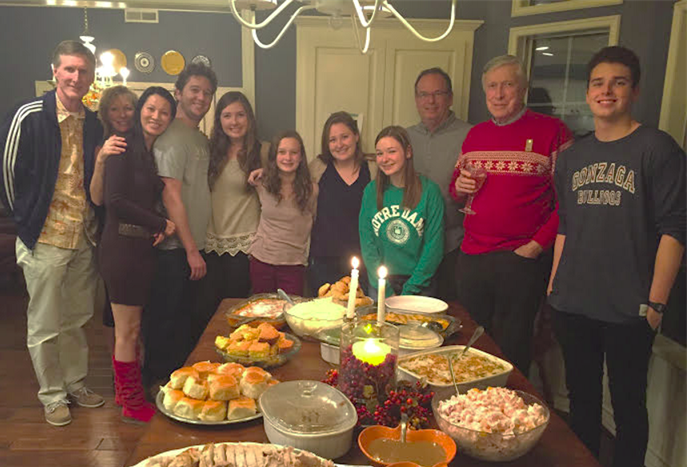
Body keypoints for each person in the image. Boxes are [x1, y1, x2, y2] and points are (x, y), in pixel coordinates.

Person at [547, 46, 685, 467]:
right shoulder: (572, 157)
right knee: (581, 401)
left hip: (631, 306)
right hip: (573, 302)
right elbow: (565, 227)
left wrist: (657, 303)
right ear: (588, 93)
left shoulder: (658, 149)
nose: (606, 91)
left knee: (628, 405)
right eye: (598, 83)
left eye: (618, 82)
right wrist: (554, 285)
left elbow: (675, 230)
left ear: (634, 91)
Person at [0, 40, 105, 426]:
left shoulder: (92, 122)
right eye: (70, 69)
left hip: (82, 236)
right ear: (55, 71)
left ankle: (75, 383)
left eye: (83, 70)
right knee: (44, 323)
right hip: (44, 237)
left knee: (76, 318)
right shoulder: (28, 115)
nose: (77, 77)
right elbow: (9, 174)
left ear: (92, 76)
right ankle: (52, 395)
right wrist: (26, 222)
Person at [449, 55, 573, 376]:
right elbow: (454, 189)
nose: (499, 94)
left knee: (512, 348)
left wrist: (534, 247)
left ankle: (509, 418)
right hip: (472, 255)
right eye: (492, 86)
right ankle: (468, 408)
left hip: (519, 259)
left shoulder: (552, 132)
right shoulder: (475, 135)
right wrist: (460, 186)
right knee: (471, 342)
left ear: (523, 89)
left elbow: (571, 203)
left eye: (507, 85)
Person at [99, 86, 177, 423]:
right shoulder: (120, 146)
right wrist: (161, 222)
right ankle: (132, 402)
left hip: (139, 248)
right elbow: (114, 201)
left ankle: (123, 392)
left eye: (164, 112)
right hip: (121, 250)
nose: (156, 116)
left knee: (131, 328)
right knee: (127, 331)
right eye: (150, 109)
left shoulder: (146, 152)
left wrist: (154, 226)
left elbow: (140, 200)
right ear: (140, 109)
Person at [142, 63, 216, 390]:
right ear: (179, 93)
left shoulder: (198, 138)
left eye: (207, 93)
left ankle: (182, 388)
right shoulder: (171, 137)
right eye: (194, 90)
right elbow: (171, 196)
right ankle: (162, 392)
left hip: (194, 246)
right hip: (175, 251)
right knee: (166, 323)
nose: (201, 98)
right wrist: (190, 251)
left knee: (186, 322)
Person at [199, 92, 268, 323]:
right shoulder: (209, 151)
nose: (234, 122)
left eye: (240, 115)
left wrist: (268, 173)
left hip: (245, 245)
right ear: (219, 120)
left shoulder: (263, 151)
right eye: (227, 115)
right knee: (209, 312)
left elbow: (286, 184)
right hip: (210, 242)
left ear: (249, 118)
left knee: (238, 314)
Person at [407, 68, 471, 301]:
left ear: (450, 97)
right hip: (410, 247)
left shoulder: (471, 136)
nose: (430, 101)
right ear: (416, 100)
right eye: (423, 94)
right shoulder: (404, 138)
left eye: (438, 94)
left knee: (449, 313)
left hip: (453, 246)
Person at [359, 126, 444, 297]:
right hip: (381, 283)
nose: (385, 159)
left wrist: (411, 288)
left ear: (408, 152)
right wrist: (385, 288)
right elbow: (367, 244)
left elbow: (434, 246)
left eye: (391, 151)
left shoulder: (429, 191)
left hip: (420, 284)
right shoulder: (371, 191)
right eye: (379, 153)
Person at [308, 111, 377, 295]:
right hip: (324, 259)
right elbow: (289, 182)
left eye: (344, 137)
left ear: (356, 136)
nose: (339, 145)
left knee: (359, 316)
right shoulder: (317, 168)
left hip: (362, 259)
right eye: (332, 140)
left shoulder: (373, 169)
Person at [90, 86, 137, 346]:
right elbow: (97, 198)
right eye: (115, 108)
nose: (122, 114)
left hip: (142, 240)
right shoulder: (102, 147)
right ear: (106, 113)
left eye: (128, 107)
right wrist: (101, 161)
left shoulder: (142, 143)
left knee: (138, 317)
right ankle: (120, 374)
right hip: (114, 238)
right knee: (117, 318)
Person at [249, 130, 317, 295]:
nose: (288, 157)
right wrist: (263, 170)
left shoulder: (311, 189)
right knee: (263, 313)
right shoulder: (261, 183)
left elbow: (314, 220)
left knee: (291, 315)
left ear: (301, 157)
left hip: (293, 264)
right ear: (274, 156)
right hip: (261, 260)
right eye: (282, 152)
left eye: (294, 152)